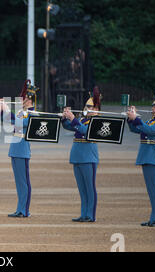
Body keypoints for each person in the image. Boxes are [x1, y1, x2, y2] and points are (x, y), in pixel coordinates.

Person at [127, 84, 155, 227]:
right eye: (152, 106)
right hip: (146, 158)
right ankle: (153, 218)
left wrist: (137, 118)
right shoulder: (152, 120)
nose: (152, 108)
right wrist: (131, 118)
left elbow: (148, 130)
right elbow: (137, 129)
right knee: (151, 191)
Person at [0, 80, 39, 218]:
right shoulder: (23, 112)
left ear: (30, 100)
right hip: (15, 149)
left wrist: (8, 110)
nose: (22, 100)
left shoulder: (32, 113)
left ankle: (24, 210)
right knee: (19, 182)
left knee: (23, 182)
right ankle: (20, 208)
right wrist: (0, 110)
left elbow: (20, 122)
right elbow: (9, 120)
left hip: (22, 149)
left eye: (24, 98)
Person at [61, 86, 101, 223]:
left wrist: (73, 119)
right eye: (86, 106)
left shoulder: (97, 121)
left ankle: (91, 215)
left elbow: (85, 131)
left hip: (88, 156)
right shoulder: (83, 119)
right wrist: (65, 118)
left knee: (90, 187)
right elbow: (70, 126)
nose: (86, 108)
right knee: (82, 189)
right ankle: (84, 213)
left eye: (89, 106)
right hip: (78, 155)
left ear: (96, 109)